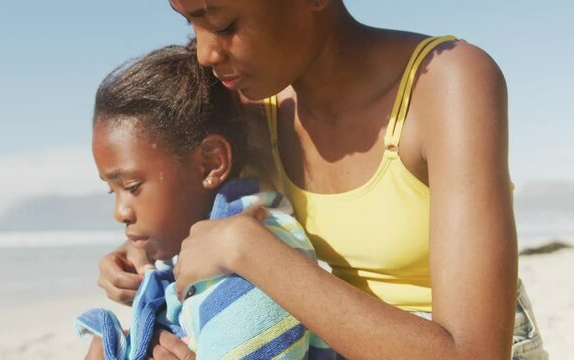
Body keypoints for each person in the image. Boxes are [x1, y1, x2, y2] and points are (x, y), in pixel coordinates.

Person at [98, 1, 548, 359]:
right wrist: (138, 257)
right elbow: (185, 199)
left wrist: (249, 249)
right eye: (190, 22)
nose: (205, 53)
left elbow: (474, 354)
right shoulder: (252, 110)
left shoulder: (445, 83)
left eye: (224, 22)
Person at [81, 44, 334, 359]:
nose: (120, 213)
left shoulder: (246, 280)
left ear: (211, 164)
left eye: (132, 187)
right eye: (112, 190)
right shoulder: (199, 252)